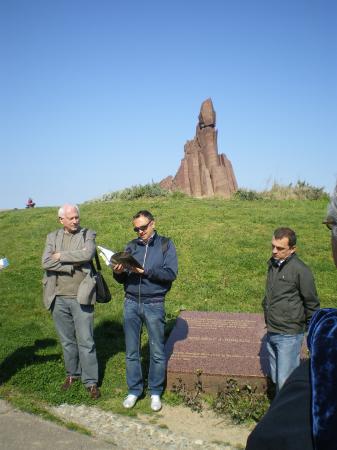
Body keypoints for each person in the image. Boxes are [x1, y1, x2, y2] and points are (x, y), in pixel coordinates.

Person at [113, 210, 178, 411]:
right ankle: (134, 390)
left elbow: (170, 273)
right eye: (136, 228)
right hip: (131, 302)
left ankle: (155, 392)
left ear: (153, 224)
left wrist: (145, 272)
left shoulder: (166, 244)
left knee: (157, 351)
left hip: (154, 304)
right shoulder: (131, 246)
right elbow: (122, 279)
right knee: (132, 351)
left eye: (143, 227)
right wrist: (119, 273)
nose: (140, 231)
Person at [42, 204, 100, 399]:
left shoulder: (87, 234)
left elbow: (87, 254)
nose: (76, 220)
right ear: (61, 220)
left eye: (77, 217)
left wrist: (61, 256)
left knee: (86, 341)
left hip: (81, 296)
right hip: (57, 297)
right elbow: (46, 262)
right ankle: (72, 374)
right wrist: (70, 265)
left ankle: (91, 382)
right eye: (71, 218)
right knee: (67, 341)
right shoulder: (52, 237)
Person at [262, 227, 320, 393]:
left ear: (293, 249)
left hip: (289, 332)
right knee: (275, 376)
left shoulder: (301, 270)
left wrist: (312, 330)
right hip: (272, 328)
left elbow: (311, 302)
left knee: (285, 381)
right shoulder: (273, 264)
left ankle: (285, 416)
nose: (274, 251)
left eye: (280, 248)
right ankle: (279, 409)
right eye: (273, 246)